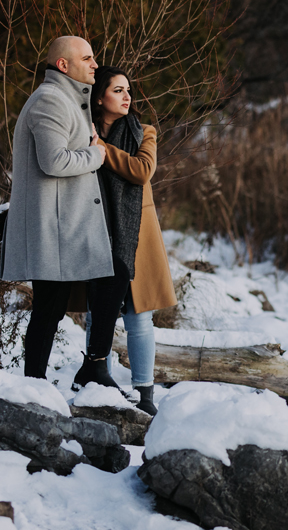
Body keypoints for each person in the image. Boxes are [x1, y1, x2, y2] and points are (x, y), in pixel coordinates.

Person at [0, 36, 121, 388]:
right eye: (87, 59)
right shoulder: (51, 101)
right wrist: (97, 155)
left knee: (54, 309)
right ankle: (34, 385)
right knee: (48, 311)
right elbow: (53, 162)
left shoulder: (68, 100)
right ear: (63, 65)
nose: (95, 65)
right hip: (52, 228)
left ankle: (70, 376)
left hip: (64, 226)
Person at [76, 66, 178, 415]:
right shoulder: (81, 130)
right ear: (99, 96)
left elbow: (141, 170)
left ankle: (145, 394)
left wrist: (101, 149)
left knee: (139, 318)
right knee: (95, 312)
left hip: (136, 233)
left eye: (128, 90)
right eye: (118, 90)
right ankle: (93, 375)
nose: (127, 96)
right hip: (94, 228)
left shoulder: (143, 131)